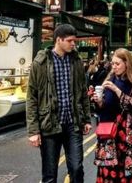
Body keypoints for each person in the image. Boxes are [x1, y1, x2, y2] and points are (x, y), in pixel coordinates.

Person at [26, 24, 92, 183]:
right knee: (49, 174)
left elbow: (82, 92)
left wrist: (87, 119)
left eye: (74, 41)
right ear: (58, 40)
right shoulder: (40, 63)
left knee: (76, 168)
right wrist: (33, 131)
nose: (73, 44)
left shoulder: (76, 61)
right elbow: (32, 97)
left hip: (72, 124)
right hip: (49, 125)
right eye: (69, 41)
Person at [91, 48, 132, 182]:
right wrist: (98, 101)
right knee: (108, 170)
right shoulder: (109, 78)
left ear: (127, 63)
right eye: (113, 63)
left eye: (117, 64)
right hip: (108, 133)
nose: (114, 67)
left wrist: (116, 90)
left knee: (127, 172)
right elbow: (103, 107)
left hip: (126, 135)